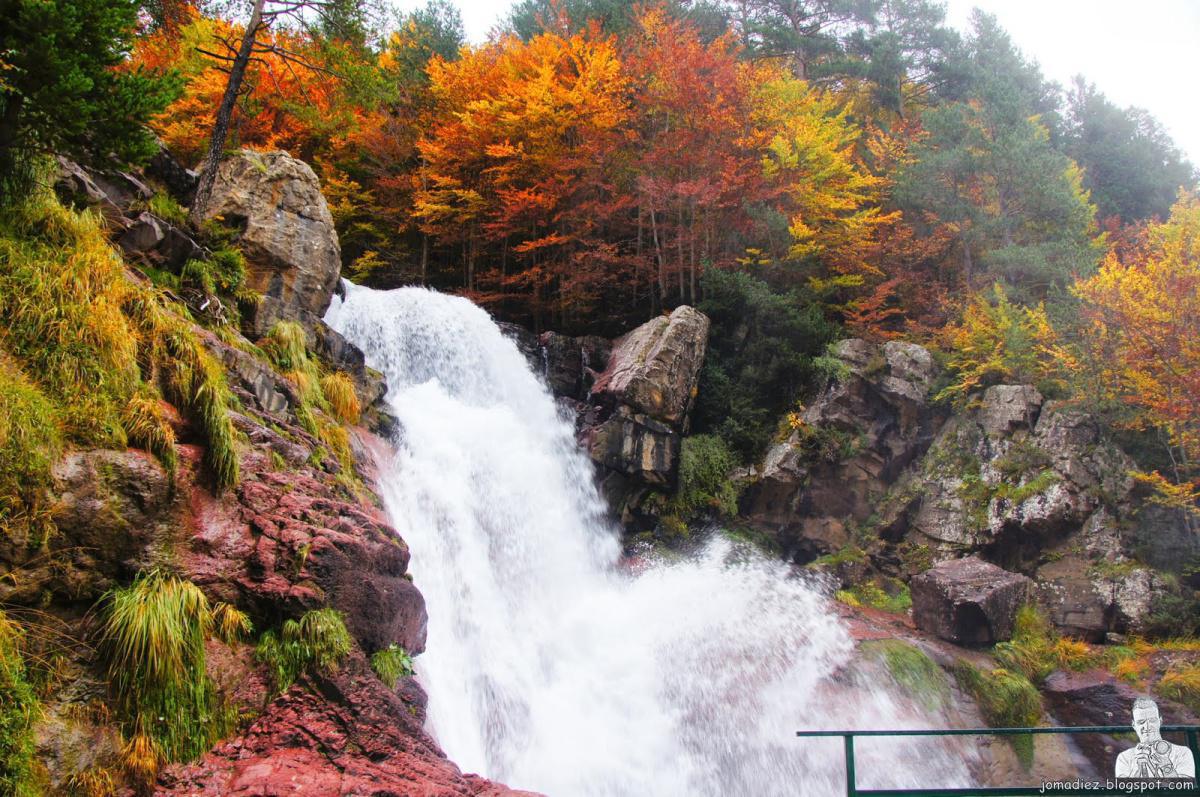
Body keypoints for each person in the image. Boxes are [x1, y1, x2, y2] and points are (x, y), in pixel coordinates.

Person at [1115, 697, 1196, 779]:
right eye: (1141, 722)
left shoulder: (1182, 753)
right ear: (1134, 725)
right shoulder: (1124, 758)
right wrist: (1137, 769)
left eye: (1152, 721)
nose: (1147, 727)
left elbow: (1185, 788)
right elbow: (1123, 790)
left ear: (1160, 721)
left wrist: (1167, 766)